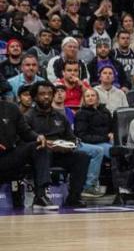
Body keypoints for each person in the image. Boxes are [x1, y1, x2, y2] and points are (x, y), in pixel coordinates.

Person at [24, 80, 90, 208]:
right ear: (35, 97)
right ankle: (40, 196)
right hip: (37, 154)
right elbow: (24, 139)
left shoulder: (60, 117)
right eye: (42, 94)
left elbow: (72, 139)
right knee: (43, 151)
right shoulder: (28, 117)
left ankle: (74, 197)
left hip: (59, 153)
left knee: (82, 156)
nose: (47, 96)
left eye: (49, 93)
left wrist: (64, 146)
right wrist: (43, 143)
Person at [0, 94, 55, 209]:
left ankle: (40, 196)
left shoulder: (11, 108)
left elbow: (25, 131)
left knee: (39, 146)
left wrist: (37, 137)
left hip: (9, 155)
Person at [73, 87, 115, 198]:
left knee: (120, 150)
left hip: (105, 141)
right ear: (84, 99)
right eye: (87, 96)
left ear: (97, 98)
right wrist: (105, 137)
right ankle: (89, 186)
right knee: (107, 151)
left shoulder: (105, 111)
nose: (90, 98)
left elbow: (112, 127)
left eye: (93, 95)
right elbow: (82, 136)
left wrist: (112, 133)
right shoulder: (81, 114)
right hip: (88, 143)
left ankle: (118, 186)